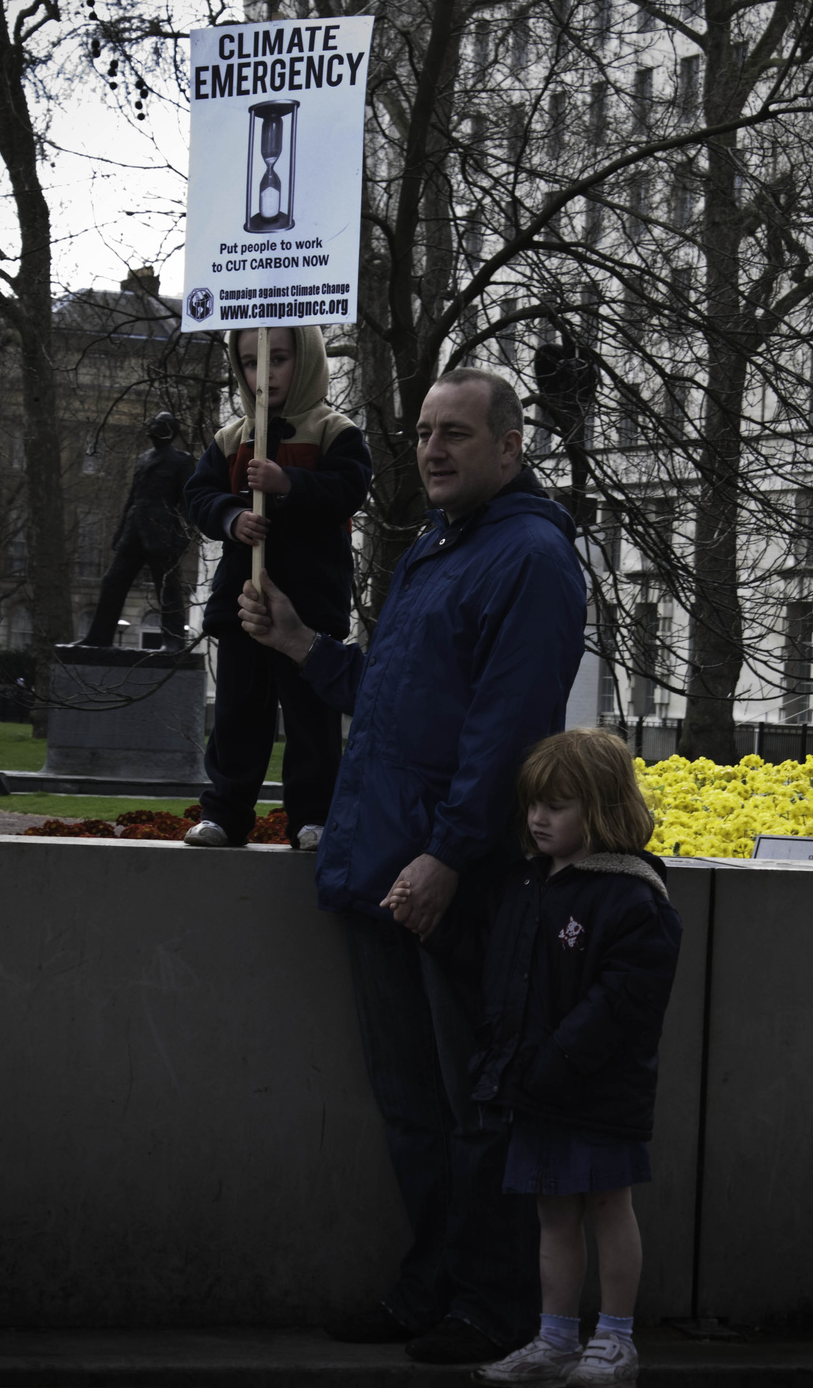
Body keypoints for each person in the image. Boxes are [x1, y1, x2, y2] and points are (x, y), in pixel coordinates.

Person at [237, 368, 588, 1365]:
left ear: (511, 449)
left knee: (475, 1106)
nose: (433, 449)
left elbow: (508, 737)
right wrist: (303, 642)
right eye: (426, 431)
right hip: (383, 874)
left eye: (458, 434)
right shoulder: (439, 546)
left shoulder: (530, 557)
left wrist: (445, 857)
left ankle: (490, 1303)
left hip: (451, 882)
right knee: (412, 1107)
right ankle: (431, 1283)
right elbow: (398, 699)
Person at [441, 729, 682, 1387]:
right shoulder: (525, 884)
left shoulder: (631, 897)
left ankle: (614, 1339)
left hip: (593, 1090)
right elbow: (494, 969)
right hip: (534, 1084)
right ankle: (553, 1337)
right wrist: (433, 929)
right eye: (532, 805)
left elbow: (622, 1002)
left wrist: (554, 1065)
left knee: (606, 1206)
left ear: (600, 809)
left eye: (558, 805)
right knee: (552, 1214)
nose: (538, 818)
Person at [184, 325, 371, 850]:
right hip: (243, 605)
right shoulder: (232, 437)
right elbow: (197, 494)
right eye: (249, 363)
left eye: (278, 359)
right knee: (238, 714)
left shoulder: (335, 430)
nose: (262, 374)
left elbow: (348, 489)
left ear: (306, 359)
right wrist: (230, 516)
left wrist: (288, 484)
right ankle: (225, 813)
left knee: (312, 720)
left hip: (310, 608)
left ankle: (313, 816)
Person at [80, 411, 196, 649]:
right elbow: (133, 498)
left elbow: (188, 504)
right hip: (133, 531)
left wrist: (181, 539)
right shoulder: (142, 458)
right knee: (112, 581)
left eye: (158, 424)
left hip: (161, 533)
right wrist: (120, 531)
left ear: (169, 431)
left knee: (167, 588)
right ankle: (99, 638)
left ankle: (174, 642)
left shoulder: (182, 461)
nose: (152, 426)